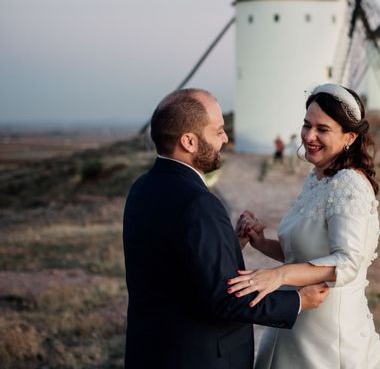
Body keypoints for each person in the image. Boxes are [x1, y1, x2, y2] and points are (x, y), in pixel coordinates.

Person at [122, 88, 329, 369]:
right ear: (189, 141)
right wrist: (297, 301)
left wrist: (230, 243)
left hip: (151, 351)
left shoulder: (142, 187)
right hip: (199, 357)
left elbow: (175, 265)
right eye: (218, 131)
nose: (225, 138)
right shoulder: (199, 202)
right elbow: (225, 299)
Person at [232, 83, 380, 368]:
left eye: (322, 129)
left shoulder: (349, 183)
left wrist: (278, 277)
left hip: (327, 335)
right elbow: (304, 255)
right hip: (294, 317)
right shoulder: (318, 179)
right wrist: (261, 242)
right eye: (306, 125)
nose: (309, 136)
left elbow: (347, 262)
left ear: (349, 137)